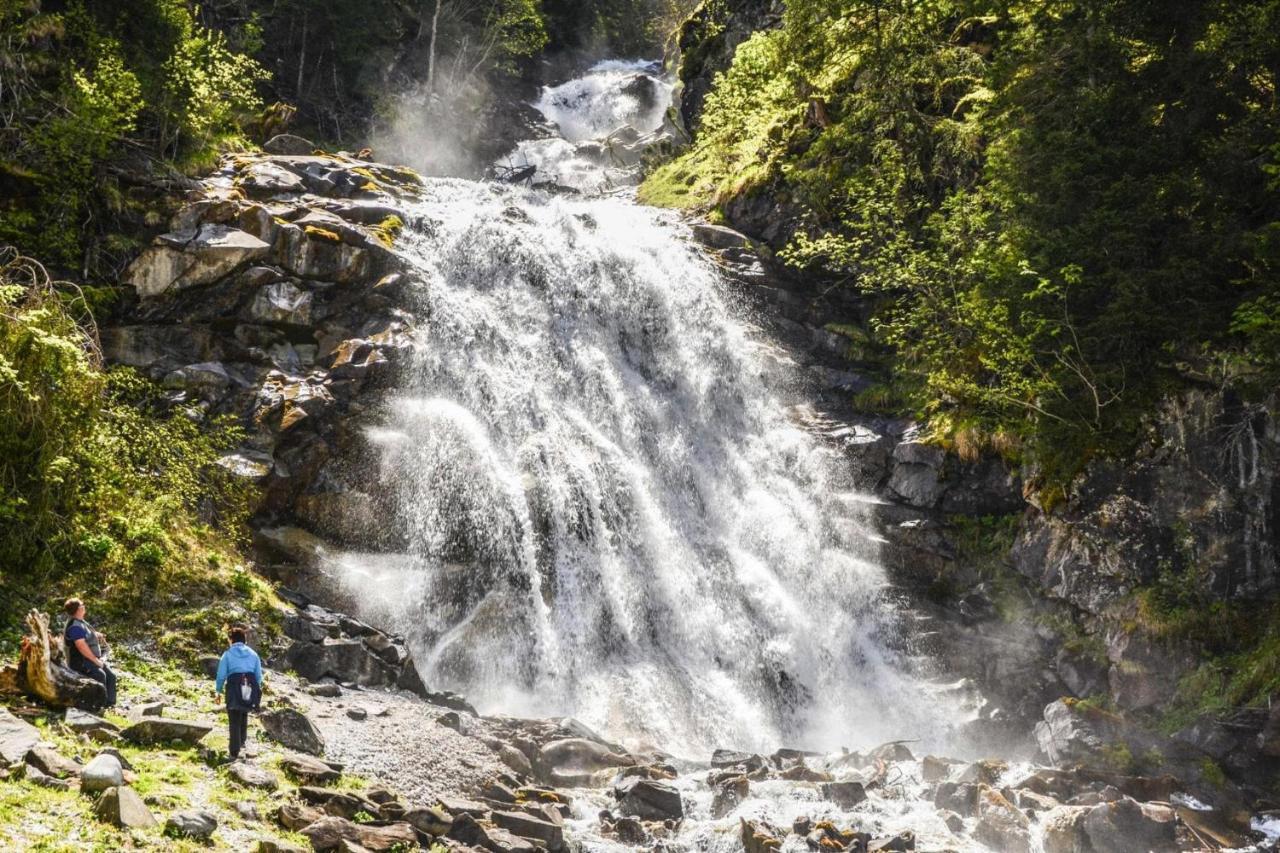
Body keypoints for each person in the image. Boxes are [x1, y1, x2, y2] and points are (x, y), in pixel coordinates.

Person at [214, 625, 262, 761]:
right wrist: (257, 693)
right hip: (249, 687)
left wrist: (217, 691)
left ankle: (234, 753)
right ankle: (241, 744)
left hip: (234, 687)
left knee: (234, 718)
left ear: (232, 640)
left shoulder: (227, 654)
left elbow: (221, 675)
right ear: (244, 640)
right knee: (244, 714)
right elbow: (258, 676)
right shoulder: (254, 654)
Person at [63, 598, 116, 708]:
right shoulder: (74, 627)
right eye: (82, 605)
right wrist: (96, 661)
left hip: (90, 659)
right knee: (100, 675)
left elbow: (85, 634)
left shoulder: (80, 622)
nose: (84, 606)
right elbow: (81, 647)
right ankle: (97, 705)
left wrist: (96, 634)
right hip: (81, 662)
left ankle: (109, 704)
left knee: (111, 676)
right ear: (78, 609)